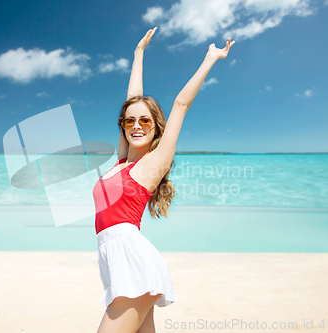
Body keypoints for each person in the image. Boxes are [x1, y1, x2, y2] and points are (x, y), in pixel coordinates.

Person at [93, 27, 235, 333]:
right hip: (114, 261)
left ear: (157, 127)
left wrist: (211, 57)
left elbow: (181, 105)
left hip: (134, 262)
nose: (136, 125)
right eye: (130, 121)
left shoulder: (152, 166)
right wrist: (138, 54)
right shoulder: (120, 161)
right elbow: (132, 99)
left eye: (145, 120)